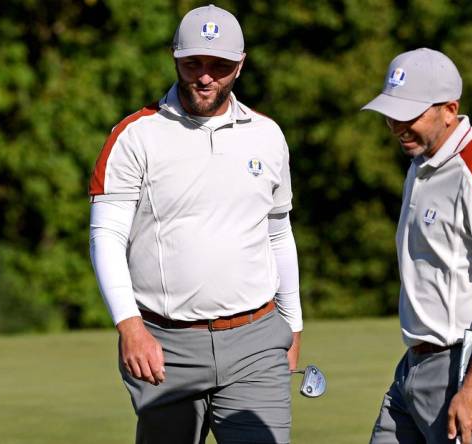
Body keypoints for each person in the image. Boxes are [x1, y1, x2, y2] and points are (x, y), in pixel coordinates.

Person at [88, 5, 302, 443]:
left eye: (219, 66)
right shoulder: (133, 135)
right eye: (193, 63)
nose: (205, 77)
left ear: (240, 66)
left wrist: (293, 323)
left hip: (256, 341)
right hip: (163, 345)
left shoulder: (268, 135)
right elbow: (105, 236)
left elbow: (278, 233)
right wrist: (129, 326)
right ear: (175, 58)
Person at [361, 48, 472, 444]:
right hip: (413, 369)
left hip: (469, 369)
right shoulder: (421, 163)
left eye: (409, 116)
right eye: (391, 114)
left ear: (449, 109)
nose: (396, 126)